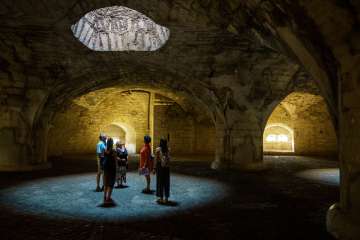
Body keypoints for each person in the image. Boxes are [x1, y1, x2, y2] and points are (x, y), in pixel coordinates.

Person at [155, 138, 171, 204]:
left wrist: (154, 168)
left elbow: (156, 160)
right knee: (167, 182)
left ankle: (161, 198)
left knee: (160, 182)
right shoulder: (168, 149)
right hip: (167, 168)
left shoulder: (158, 149)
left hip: (160, 168)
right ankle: (166, 198)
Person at [103, 138, 117, 204]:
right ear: (112, 143)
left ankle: (104, 196)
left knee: (106, 183)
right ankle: (108, 198)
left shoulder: (105, 150)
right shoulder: (113, 151)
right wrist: (117, 170)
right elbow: (115, 161)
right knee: (111, 184)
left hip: (106, 169)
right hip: (112, 169)